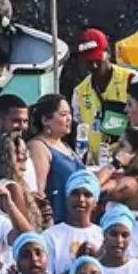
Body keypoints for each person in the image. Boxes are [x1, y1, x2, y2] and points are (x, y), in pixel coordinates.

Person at [70, 29, 138, 162]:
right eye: (89, 62)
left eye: (97, 59)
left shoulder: (132, 80)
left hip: (129, 162)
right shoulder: (79, 92)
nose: (94, 66)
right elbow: (79, 130)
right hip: (96, 165)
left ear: (108, 53)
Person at [28, 92, 85, 225]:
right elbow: (38, 192)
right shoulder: (39, 147)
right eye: (63, 115)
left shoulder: (64, 145)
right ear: (45, 120)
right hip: (56, 222)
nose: (69, 119)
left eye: (69, 114)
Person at [43, 170, 105, 274]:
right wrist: (80, 265)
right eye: (75, 194)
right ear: (67, 199)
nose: (81, 199)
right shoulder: (50, 237)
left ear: (95, 203)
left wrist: (98, 259)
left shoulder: (103, 236)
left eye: (87, 195)